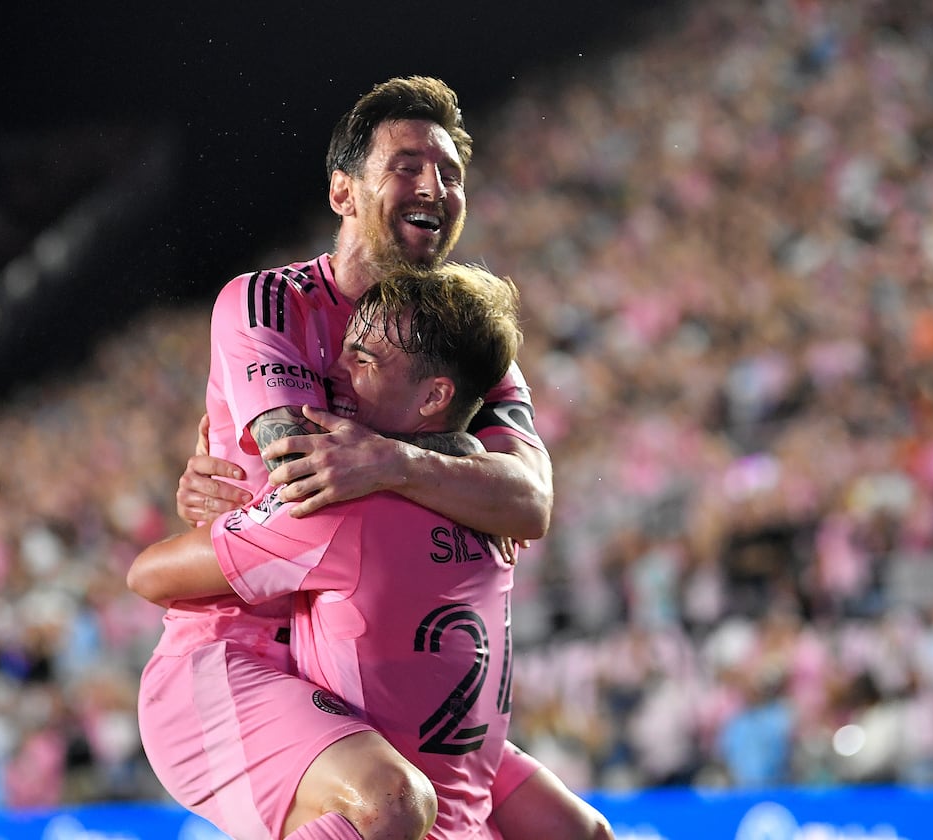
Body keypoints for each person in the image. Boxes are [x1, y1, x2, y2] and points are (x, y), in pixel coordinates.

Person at [152, 76, 612, 839]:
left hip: (384, 676)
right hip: (247, 655)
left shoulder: (467, 343)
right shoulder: (271, 303)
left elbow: (528, 501)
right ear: (343, 193)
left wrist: (399, 465)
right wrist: (460, 466)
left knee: (578, 835)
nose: (434, 185)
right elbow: (306, 474)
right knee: (390, 804)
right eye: (406, 165)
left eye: (451, 173)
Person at [134, 263, 525, 838]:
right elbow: (532, 501)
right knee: (394, 802)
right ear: (344, 191)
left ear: (435, 396)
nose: (335, 373)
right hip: (225, 669)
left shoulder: (368, 495)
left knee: (564, 827)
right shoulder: (471, 498)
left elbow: (147, 573)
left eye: (363, 360)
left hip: (337, 700)